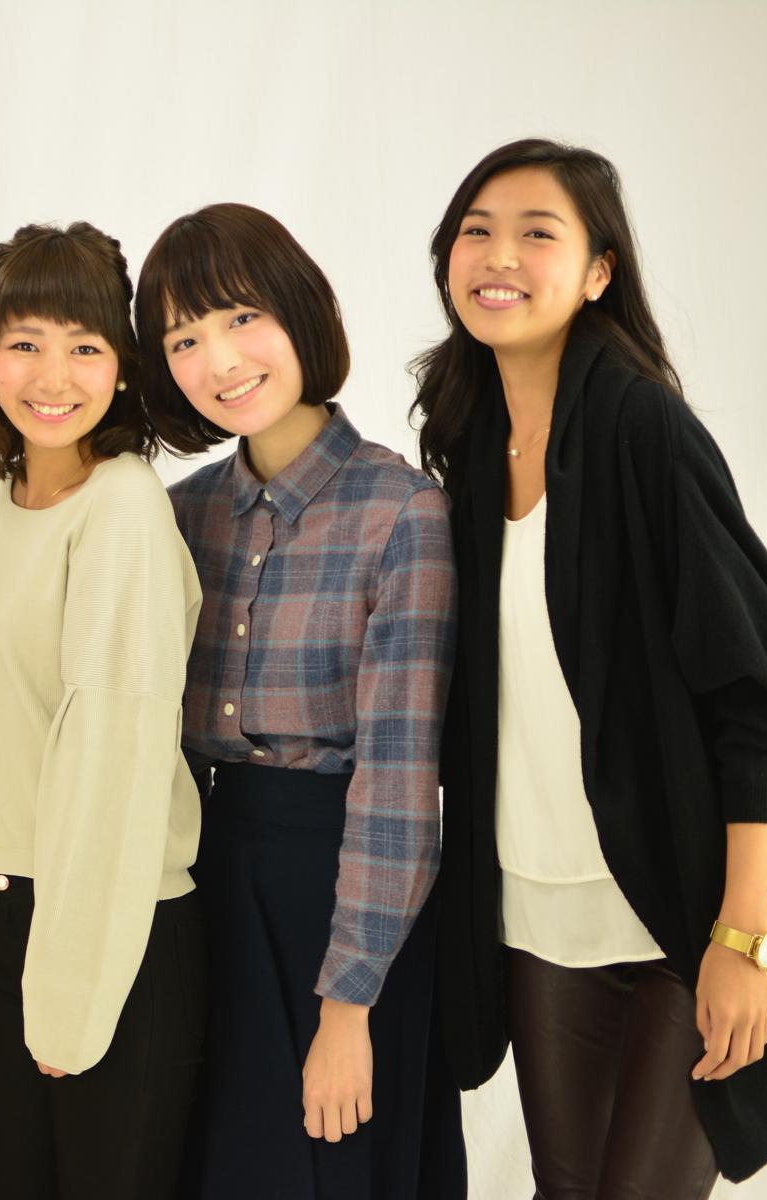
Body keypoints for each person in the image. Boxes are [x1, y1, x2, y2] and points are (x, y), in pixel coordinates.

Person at [418, 138, 767, 1194]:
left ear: (597, 273)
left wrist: (743, 938)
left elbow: (761, 697)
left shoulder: (641, 428)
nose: (499, 256)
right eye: (477, 231)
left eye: (537, 233)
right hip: (541, 917)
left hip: (683, 913)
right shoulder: (467, 447)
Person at [135, 203, 464, 1199]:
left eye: (242, 318)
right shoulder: (178, 515)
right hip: (200, 890)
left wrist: (348, 1007)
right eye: (184, 339)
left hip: (343, 894)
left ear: (299, 312)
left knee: (333, 1168)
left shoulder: (401, 512)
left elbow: (399, 783)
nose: (220, 360)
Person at [0, 221, 204, 1199]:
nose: (52, 375)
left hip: (112, 925)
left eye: (84, 346)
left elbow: (113, 754)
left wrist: (71, 990)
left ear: (122, 369)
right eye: (26, 342)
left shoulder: (123, 508)